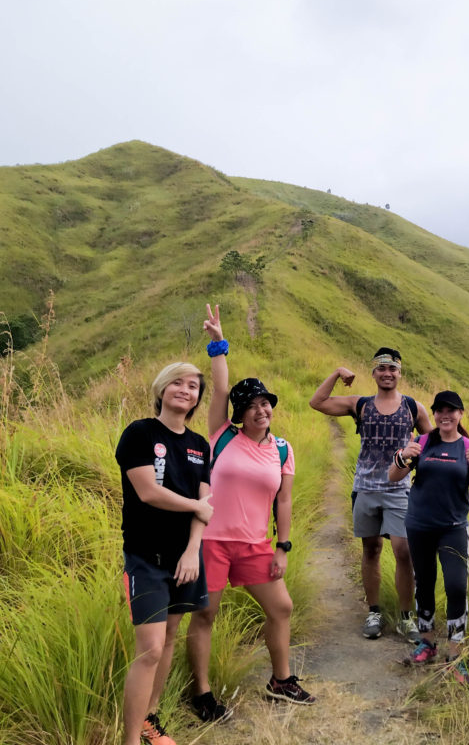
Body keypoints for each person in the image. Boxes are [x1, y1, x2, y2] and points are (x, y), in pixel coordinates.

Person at [186, 304, 315, 720]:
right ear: (240, 414)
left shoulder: (282, 449)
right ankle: (202, 693)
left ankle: (281, 680)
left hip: (255, 544)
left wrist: (284, 547)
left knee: (281, 607)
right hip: (211, 541)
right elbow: (220, 389)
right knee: (205, 613)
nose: (262, 410)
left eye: (266, 403)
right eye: (253, 405)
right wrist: (217, 343)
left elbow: (284, 501)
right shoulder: (221, 435)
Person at [116, 362, 215, 745]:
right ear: (161, 389)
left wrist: (193, 551)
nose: (185, 390)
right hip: (146, 557)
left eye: (193, 386)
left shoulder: (199, 445)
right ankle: (129, 740)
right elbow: (148, 492)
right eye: (178, 382)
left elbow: (204, 507)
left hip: (184, 557)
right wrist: (194, 505)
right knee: (150, 650)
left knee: (171, 636)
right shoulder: (140, 433)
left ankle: (149, 720)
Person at [309, 349, 433, 641]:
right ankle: (374, 611)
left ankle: (405, 617)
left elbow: (432, 443)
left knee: (404, 552)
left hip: (400, 490)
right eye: (381, 368)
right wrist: (338, 372)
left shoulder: (415, 408)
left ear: (400, 373)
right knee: (371, 549)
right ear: (373, 373)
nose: (387, 373)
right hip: (365, 487)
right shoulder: (361, 405)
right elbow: (318, 402)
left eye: (392, 368)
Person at [388, 390, 469, 684]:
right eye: (440, 411)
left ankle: (455, 656)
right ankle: (428, 643)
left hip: (453, 527)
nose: (445, 415)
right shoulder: (422, 442)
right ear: (434, 414)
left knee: (457, 586)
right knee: (425, 583)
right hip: (419, 524)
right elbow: (393, 476)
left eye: (451, 410)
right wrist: (403, 456)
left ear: (460, 414)